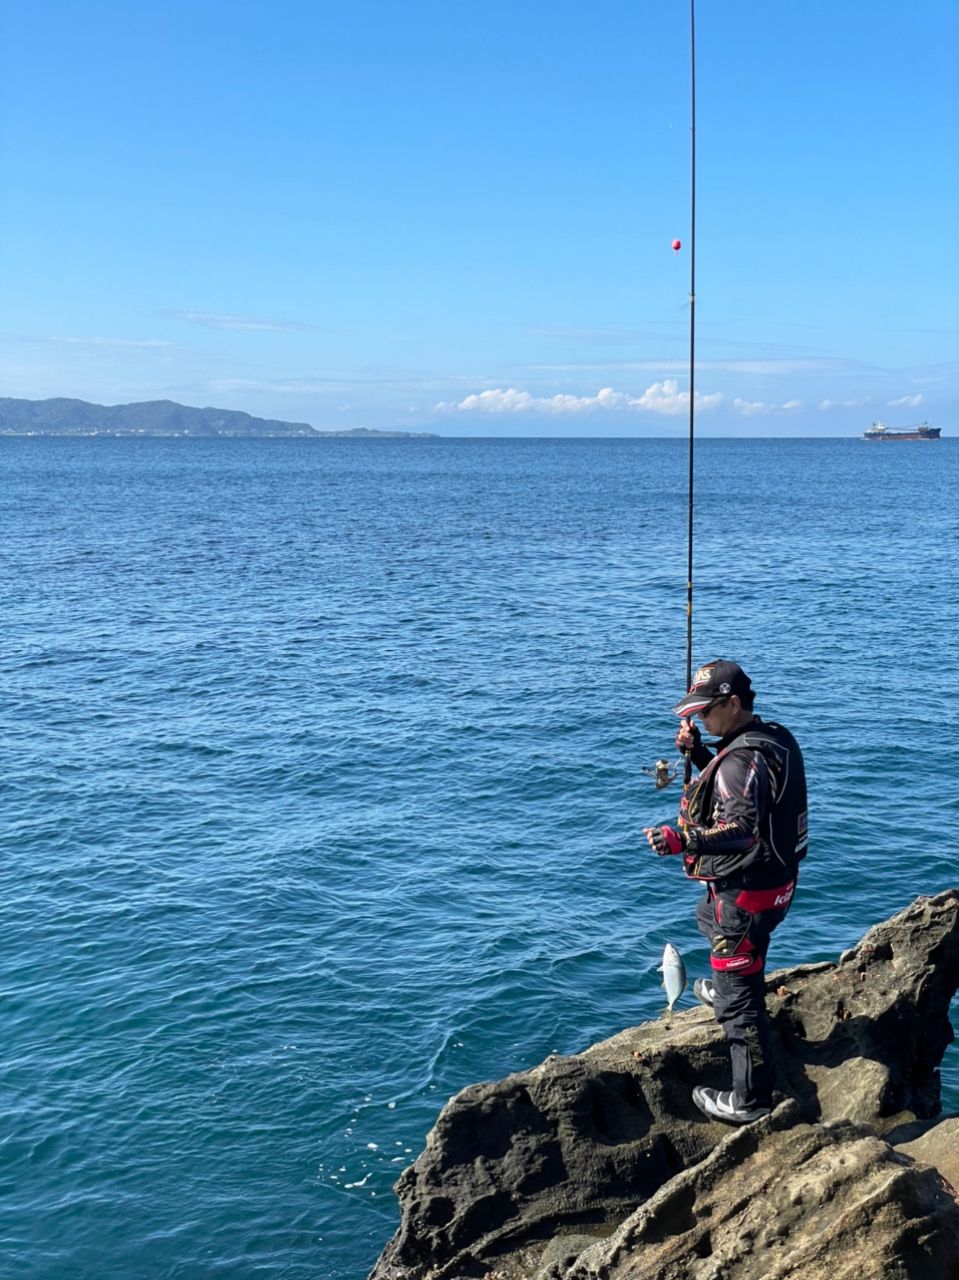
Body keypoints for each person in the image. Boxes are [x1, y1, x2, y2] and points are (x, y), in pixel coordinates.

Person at [643, 660, 807, 1125]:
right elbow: (745, 789)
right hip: (774, 884)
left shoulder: (741, 760)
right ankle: (732, 986)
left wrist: (684, 839)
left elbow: (743, 828)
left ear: (733, 703)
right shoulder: (772, 736)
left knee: (740, 1005)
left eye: (705, 711)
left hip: (748, 894)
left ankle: (750, 1102)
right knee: (708, 918)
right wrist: (698, 753)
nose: (698, 719)